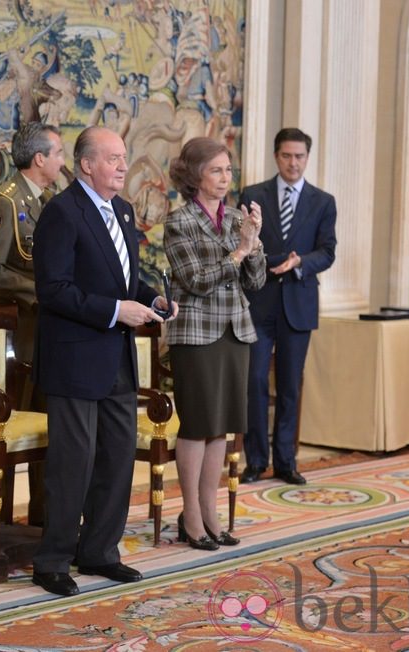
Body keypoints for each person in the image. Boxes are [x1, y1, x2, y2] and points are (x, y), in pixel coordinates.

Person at [31, 126, 177, 597]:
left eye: (123, 157)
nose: (121, 165)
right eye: (112, 158)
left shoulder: (124, 210)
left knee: (117, 457)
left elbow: (123, 281)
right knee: (73, 463)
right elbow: (53, 290)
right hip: (74, 358)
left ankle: (99, 551)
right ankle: (52, 560)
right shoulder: (62, 212)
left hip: (117, 357)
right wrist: (116, 311)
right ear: (87, 165)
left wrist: (151, 299)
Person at [164, 136, 266, 551]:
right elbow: (196, 281)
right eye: (216, 171)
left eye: (228, 170)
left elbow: (256, 282)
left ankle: (210, 513)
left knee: (221, 429)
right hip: (197, 334)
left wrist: (254, 243)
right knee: (198, 425)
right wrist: (240, 251)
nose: (226, 178)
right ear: (195, 177)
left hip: (235, 332)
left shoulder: (234, 219)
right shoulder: (180, 221)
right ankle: (190, 515)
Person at [0, 121, 66, 527]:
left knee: (47, 429)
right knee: (8, 432)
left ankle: (43, 518)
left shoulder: (51, 200)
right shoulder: (5, 203)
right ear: (40, 158)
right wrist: (39, 290)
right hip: (15, 339)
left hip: (46, 335)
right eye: (59, 153)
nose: (64, 161)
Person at [240, 128, 337, 486]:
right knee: (254, 382)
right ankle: (255, 460)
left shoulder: (323, 201)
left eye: (299, 156)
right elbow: (245, 244)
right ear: (276, 156)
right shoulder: (252, 195)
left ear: (307, 158)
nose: (293, 163)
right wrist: (274, 260)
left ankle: (285, 462)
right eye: (286, 156)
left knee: (290, 386)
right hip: (259, 302)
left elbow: (327, 251)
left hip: (298, 301)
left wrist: (300, 264)